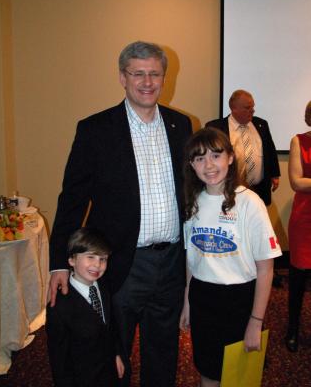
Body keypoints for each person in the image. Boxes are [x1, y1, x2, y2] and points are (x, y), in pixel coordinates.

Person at [48, 41, 193, 387]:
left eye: (154, 73)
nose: (147, 81)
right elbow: (72, 201)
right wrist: (58, 262)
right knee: (113, 356)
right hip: (120, 265)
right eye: (138, 73)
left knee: (164, 352)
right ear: (122, 78)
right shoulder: (95, 129)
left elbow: (194, 190)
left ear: (164, 78)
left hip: (171, 263)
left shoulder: (181, 125)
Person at [179, 127, 281, 387]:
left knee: (239, 377)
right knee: (208, 371)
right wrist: (188, 301)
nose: (209, 165)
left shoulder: (250, 203)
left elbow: (266, 269)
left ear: (231, 158)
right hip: (203, 297)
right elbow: (193, 259)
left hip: (239, 301)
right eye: (199, 158)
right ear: (192, 164)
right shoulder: (194, 202)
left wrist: (255, 322)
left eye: (216, 155)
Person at [46, 228, 124, 386]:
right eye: (90, 257)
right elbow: (59, 360)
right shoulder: (59, 307)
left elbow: (110, 327)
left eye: (103, 259)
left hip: (108, 373)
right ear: (71, 260)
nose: (98, 265)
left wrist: (116, 354)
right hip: (82, 378)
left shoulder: (103, 285)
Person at [205, 89, 280, 206]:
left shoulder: (261, 124)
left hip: (259, 188)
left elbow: (270, 150)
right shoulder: (215, 127)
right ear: (233, 108)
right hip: (229, 188)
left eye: (252, 107)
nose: (252, 110)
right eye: (247, 108)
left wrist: (275, 174)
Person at [285, 100, 311, 353]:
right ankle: (292, 327)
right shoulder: (298, 141)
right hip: (306, 219)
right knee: (298, 277)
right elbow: (296, 182)